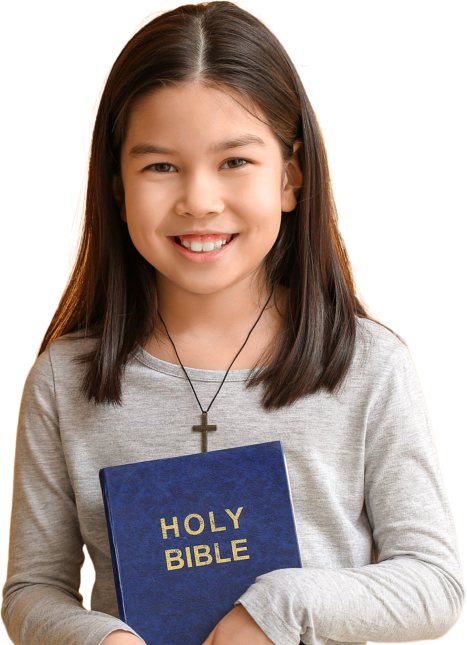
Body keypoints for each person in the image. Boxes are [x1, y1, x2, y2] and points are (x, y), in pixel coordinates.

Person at [1, 2, 464, 644]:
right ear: (115, 183)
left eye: (235, 162)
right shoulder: (63, 382)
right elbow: (32, 593)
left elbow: (434, 584)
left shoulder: (368, 366)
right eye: (160, 166)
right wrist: (99, 639)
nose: (199, 200)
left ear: (291, 176)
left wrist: (279, 606)